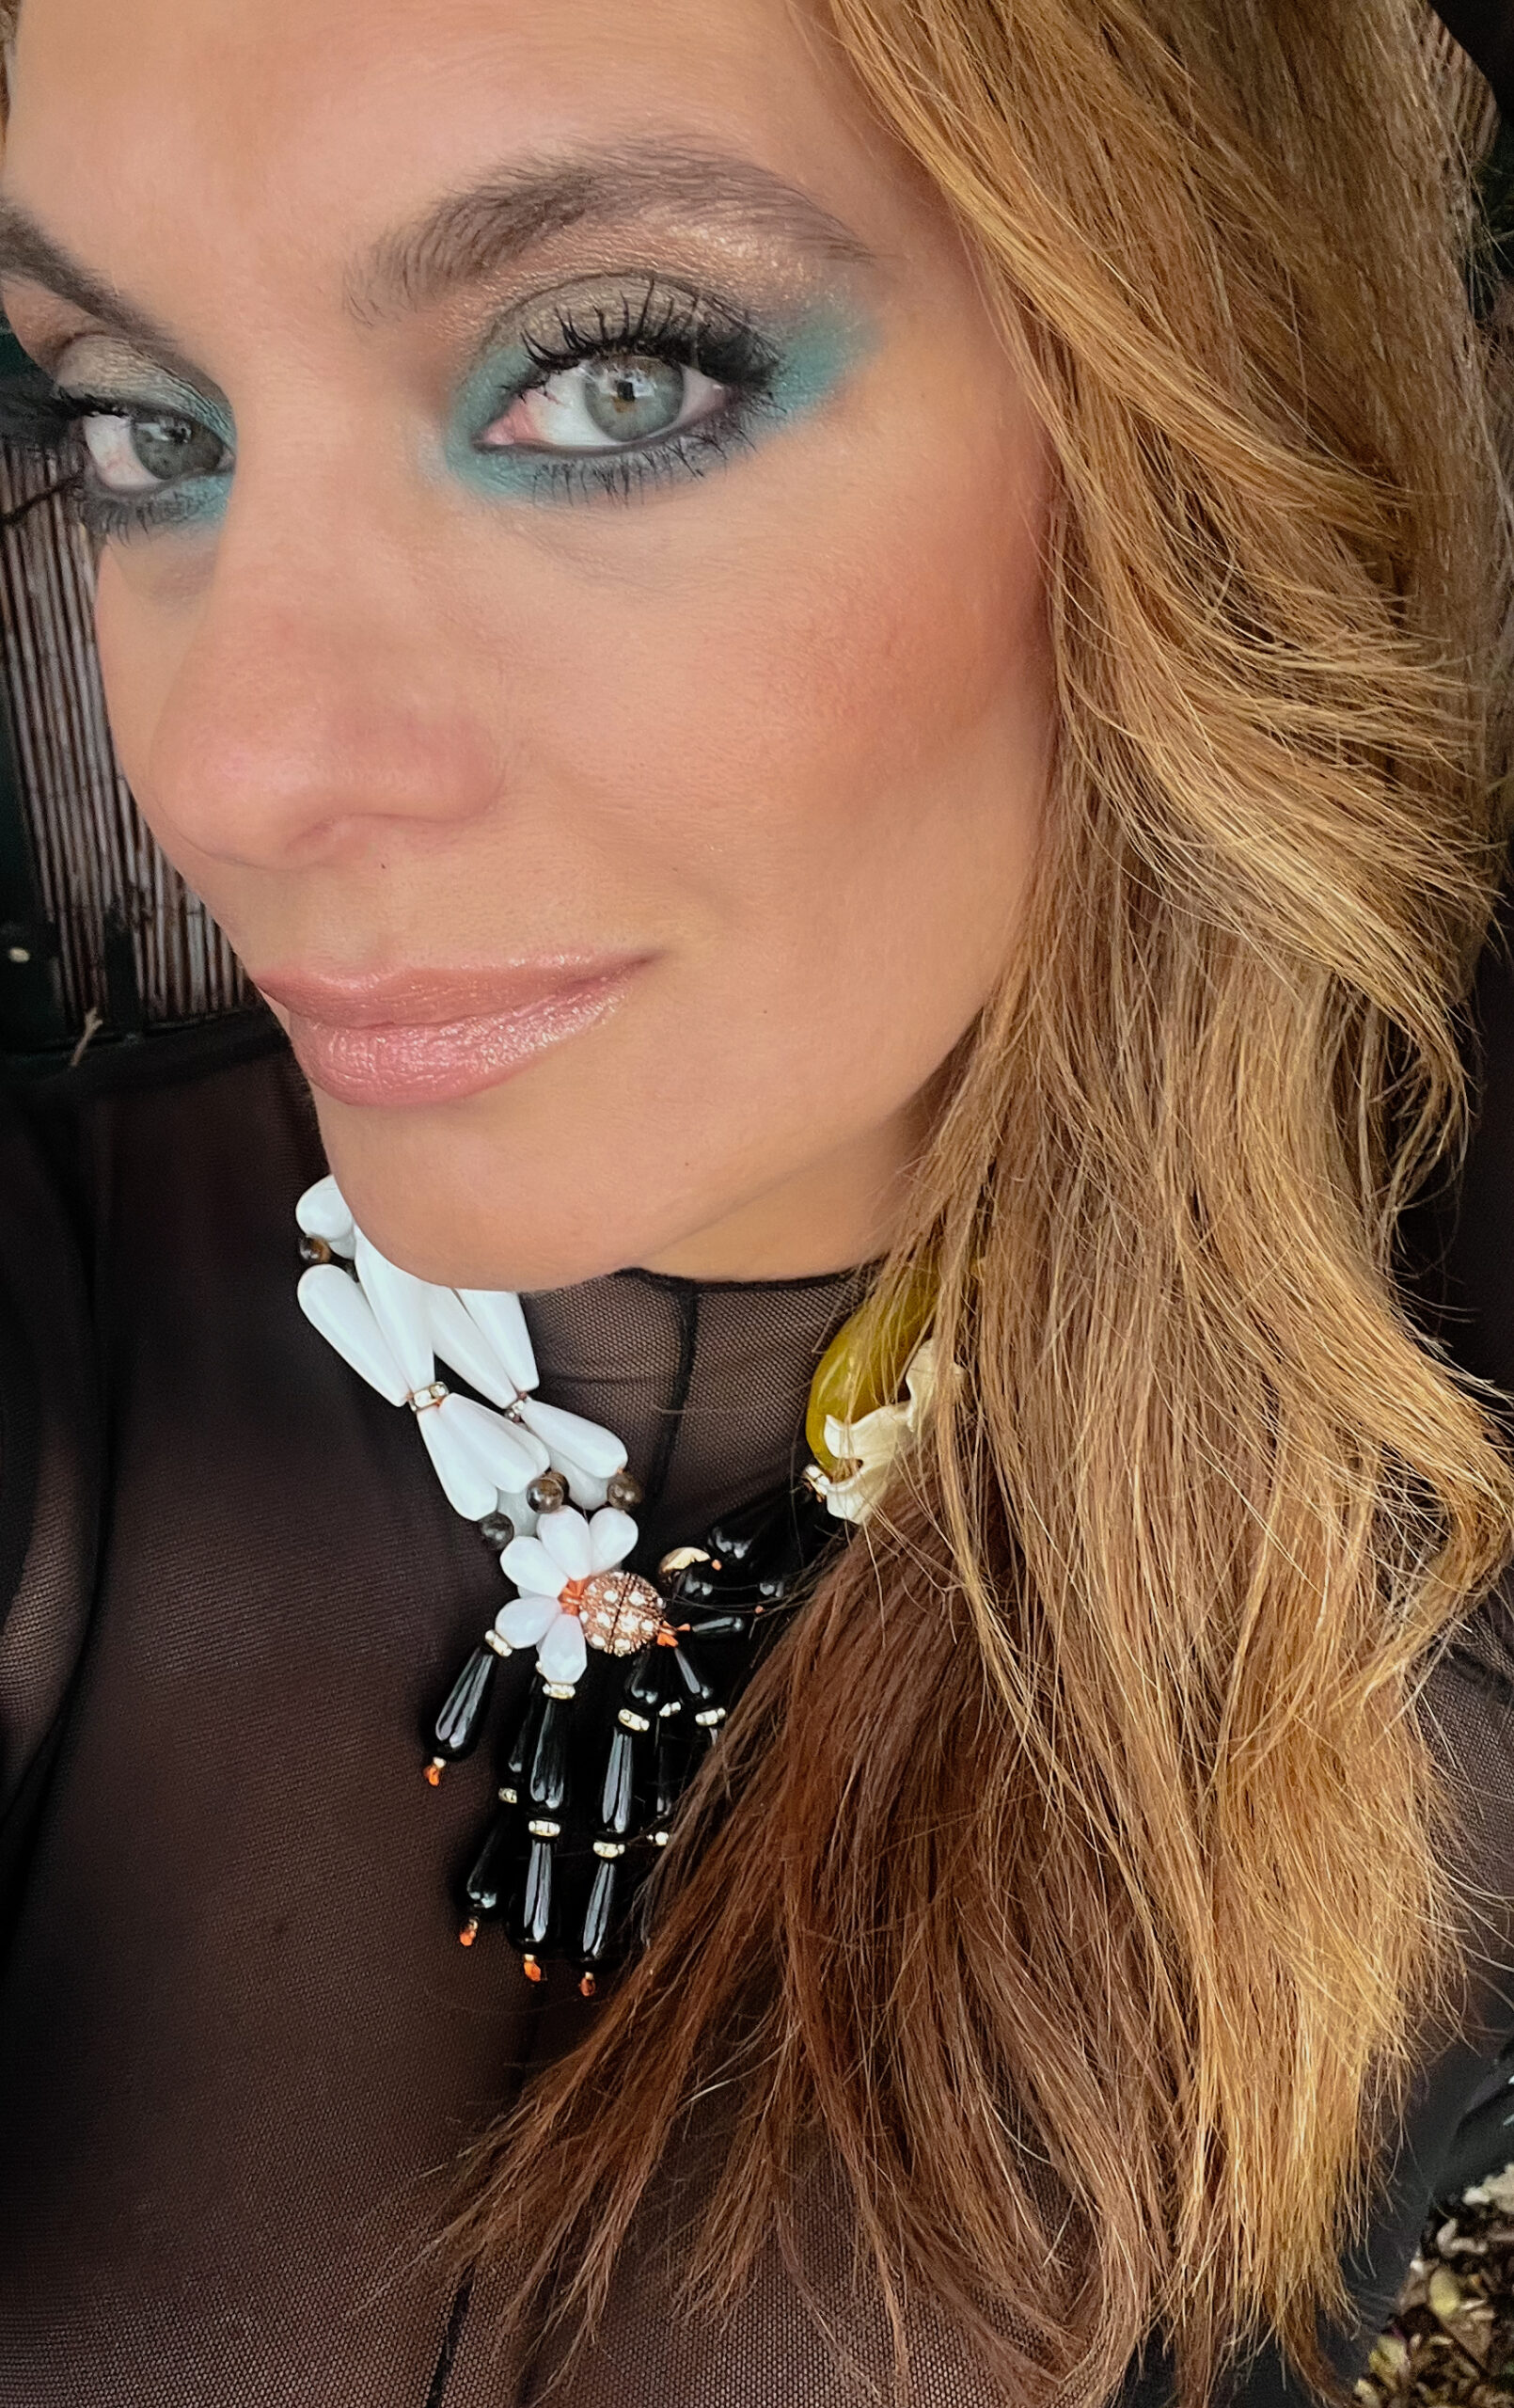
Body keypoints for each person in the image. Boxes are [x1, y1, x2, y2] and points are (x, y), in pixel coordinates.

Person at [0, 0, 1511, 2401]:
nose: (237, 765)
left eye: (611, 381)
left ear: (1202, 423)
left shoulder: (1433, 1518)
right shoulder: (62, 1327)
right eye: (141, 431)